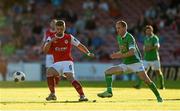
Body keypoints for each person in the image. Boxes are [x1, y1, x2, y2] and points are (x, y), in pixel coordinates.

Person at [97, 20, 163, 102]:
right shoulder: (119, 37)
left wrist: (120, 55)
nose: (117, 30)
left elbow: (132, 52)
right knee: (107, 72)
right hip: (126, 64)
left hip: (136, 63)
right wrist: (116, 54)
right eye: (116, 28)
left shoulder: (130, 37)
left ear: (125, 28)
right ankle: (109, 92)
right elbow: (123, 50)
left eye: (119, 28)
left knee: (147, 80)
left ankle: (159, 97)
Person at [43, 20, 94, 101]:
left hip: (67, 62)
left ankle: (82, 96)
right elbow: (45, 50)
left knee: (70, 78)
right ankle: (52, 94)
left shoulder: (69, 37)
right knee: (49, 71)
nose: (59, 31)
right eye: (58, 29)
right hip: (57, 63)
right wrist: (51, 42)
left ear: (64, 28)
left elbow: (79, 45)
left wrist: (88, 53)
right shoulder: (50, 37)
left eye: (61, 29)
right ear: (56, 28)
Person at [134, 25, 165, 89]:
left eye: (149, 30)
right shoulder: (145, 38)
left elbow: (157, 46)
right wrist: (144, 49)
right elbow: (145, 47)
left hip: (154, 58)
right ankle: (138, 85)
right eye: (146, 31)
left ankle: (162, 85)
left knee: (158, 72)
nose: (147, 32)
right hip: (146, 58)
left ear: (152, 30)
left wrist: (150, 48)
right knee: (142, 72)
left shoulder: (155, 38)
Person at [42, 19, 60, 85]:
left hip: (56, 53)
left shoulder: (59, 32)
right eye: (51, 23)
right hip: (49, 53)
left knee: (57, 69)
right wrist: (42, 48)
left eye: (54, 23)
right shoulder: (47, 32)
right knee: (48, 69)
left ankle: (57, 81)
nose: (53, 24)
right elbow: (44, 40)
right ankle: (51, 84)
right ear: (50, 24)